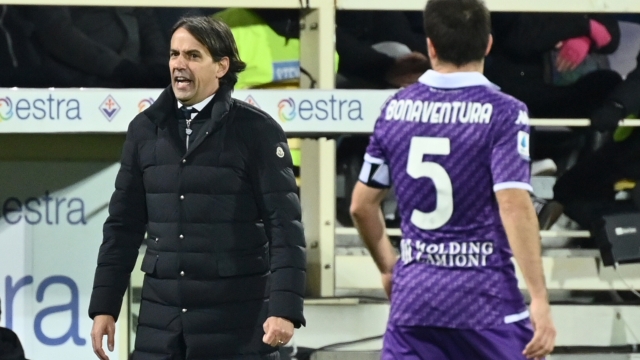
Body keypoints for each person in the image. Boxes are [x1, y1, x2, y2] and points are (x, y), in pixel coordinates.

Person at [88, 16, 306, 360]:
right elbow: (122, 228)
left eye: (193, 55)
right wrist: (104, 307)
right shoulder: (144, 130)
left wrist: (284, 308)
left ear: (221, 66)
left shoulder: (258, 131)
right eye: (174, 54)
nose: (179, 64)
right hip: (161, 328)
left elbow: (285, 228)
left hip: (237, 325)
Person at [349, 0, 556, 359]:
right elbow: (514, 205)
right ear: (488, 43)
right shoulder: (505, 112)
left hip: (415, 300)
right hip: (486, 302)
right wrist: (539, 297)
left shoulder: (395, 108)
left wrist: (388, 268)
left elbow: (361, 206)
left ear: (430, 45)